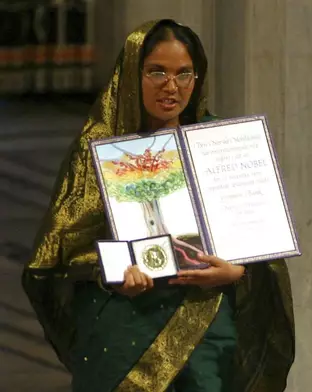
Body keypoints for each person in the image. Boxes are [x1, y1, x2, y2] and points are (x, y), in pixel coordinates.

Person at [22, 19, 295, 392]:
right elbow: (60, 253)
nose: (172, 87)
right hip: (123, 332)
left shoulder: (221, 144)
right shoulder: (100, 151)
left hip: (207, 329)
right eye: (157, 72)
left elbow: (262, 246)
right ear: (133, 74)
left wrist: (237, 273)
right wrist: (117, 273)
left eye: (184, 74)